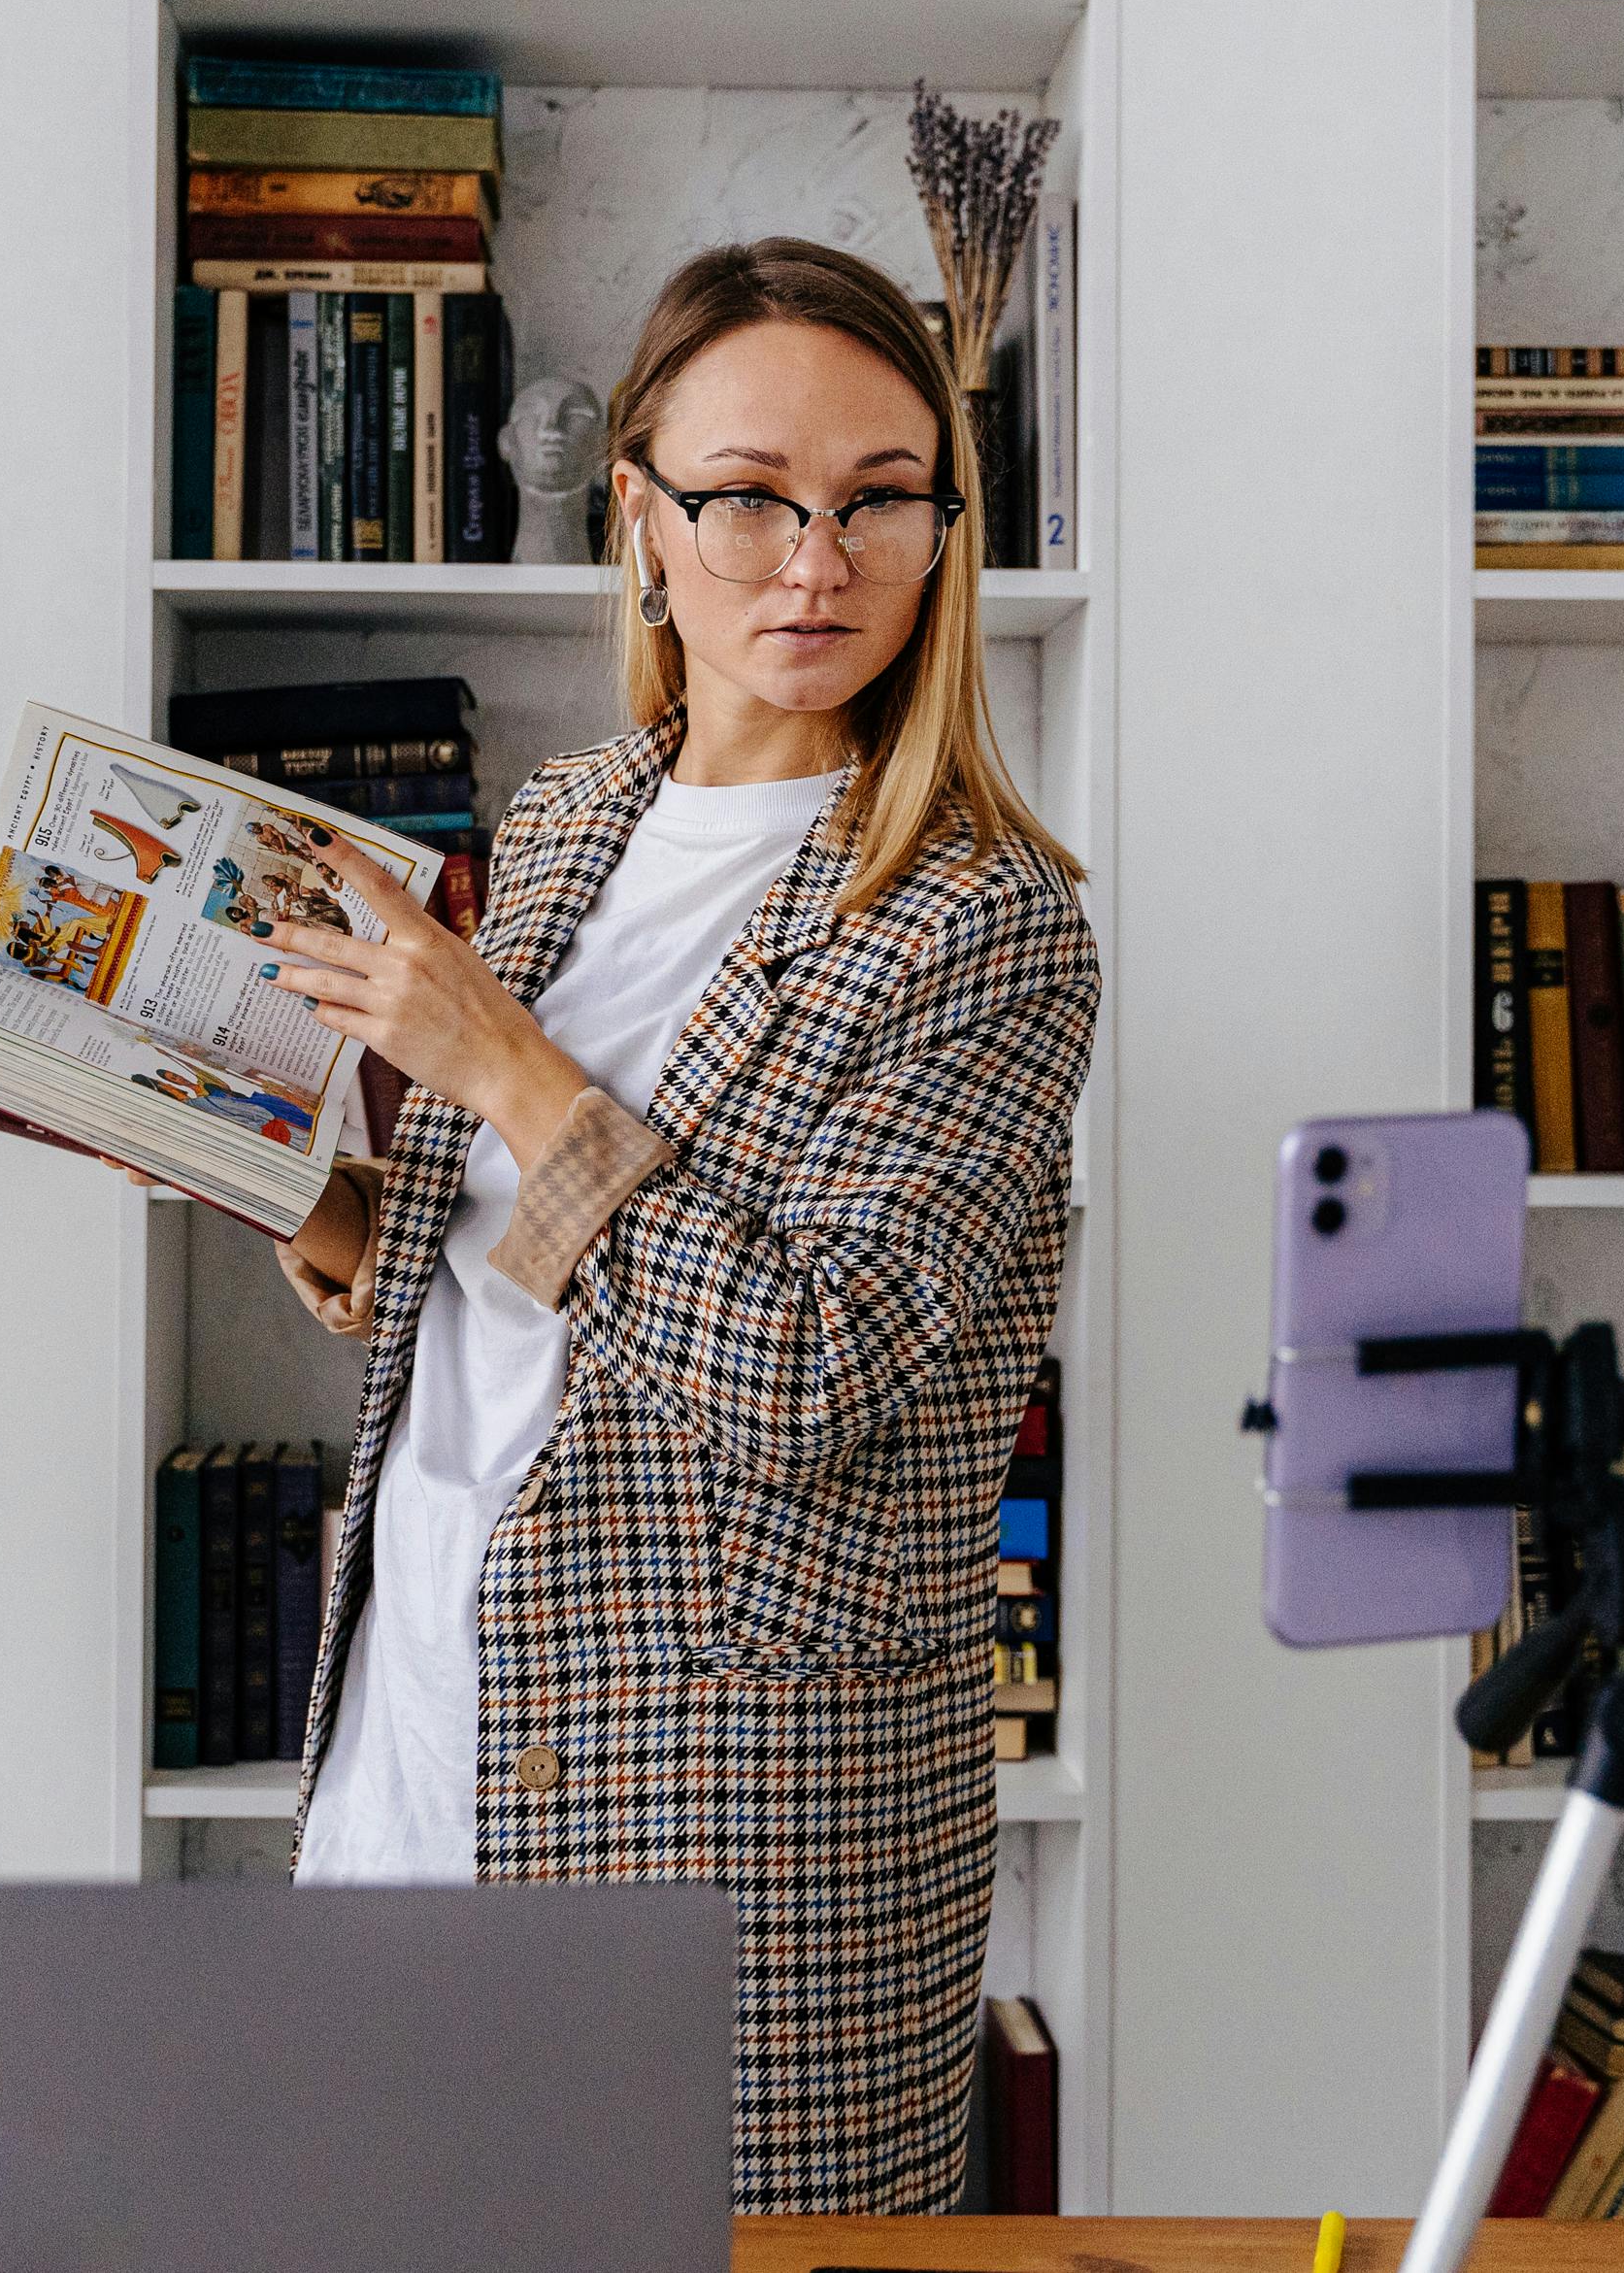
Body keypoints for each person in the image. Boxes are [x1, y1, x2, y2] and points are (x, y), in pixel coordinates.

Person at [258, 238, 1098, 2212]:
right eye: (745, 495)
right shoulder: (563, 823)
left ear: (939, 527)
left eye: (877, 496)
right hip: (417, 1714)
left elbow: (804, 1362)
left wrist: (500, 1067)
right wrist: (330, 1219)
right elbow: (518, 1296)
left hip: (733, 1823)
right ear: (638, 512)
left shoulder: (985, 922)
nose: (812, 560)